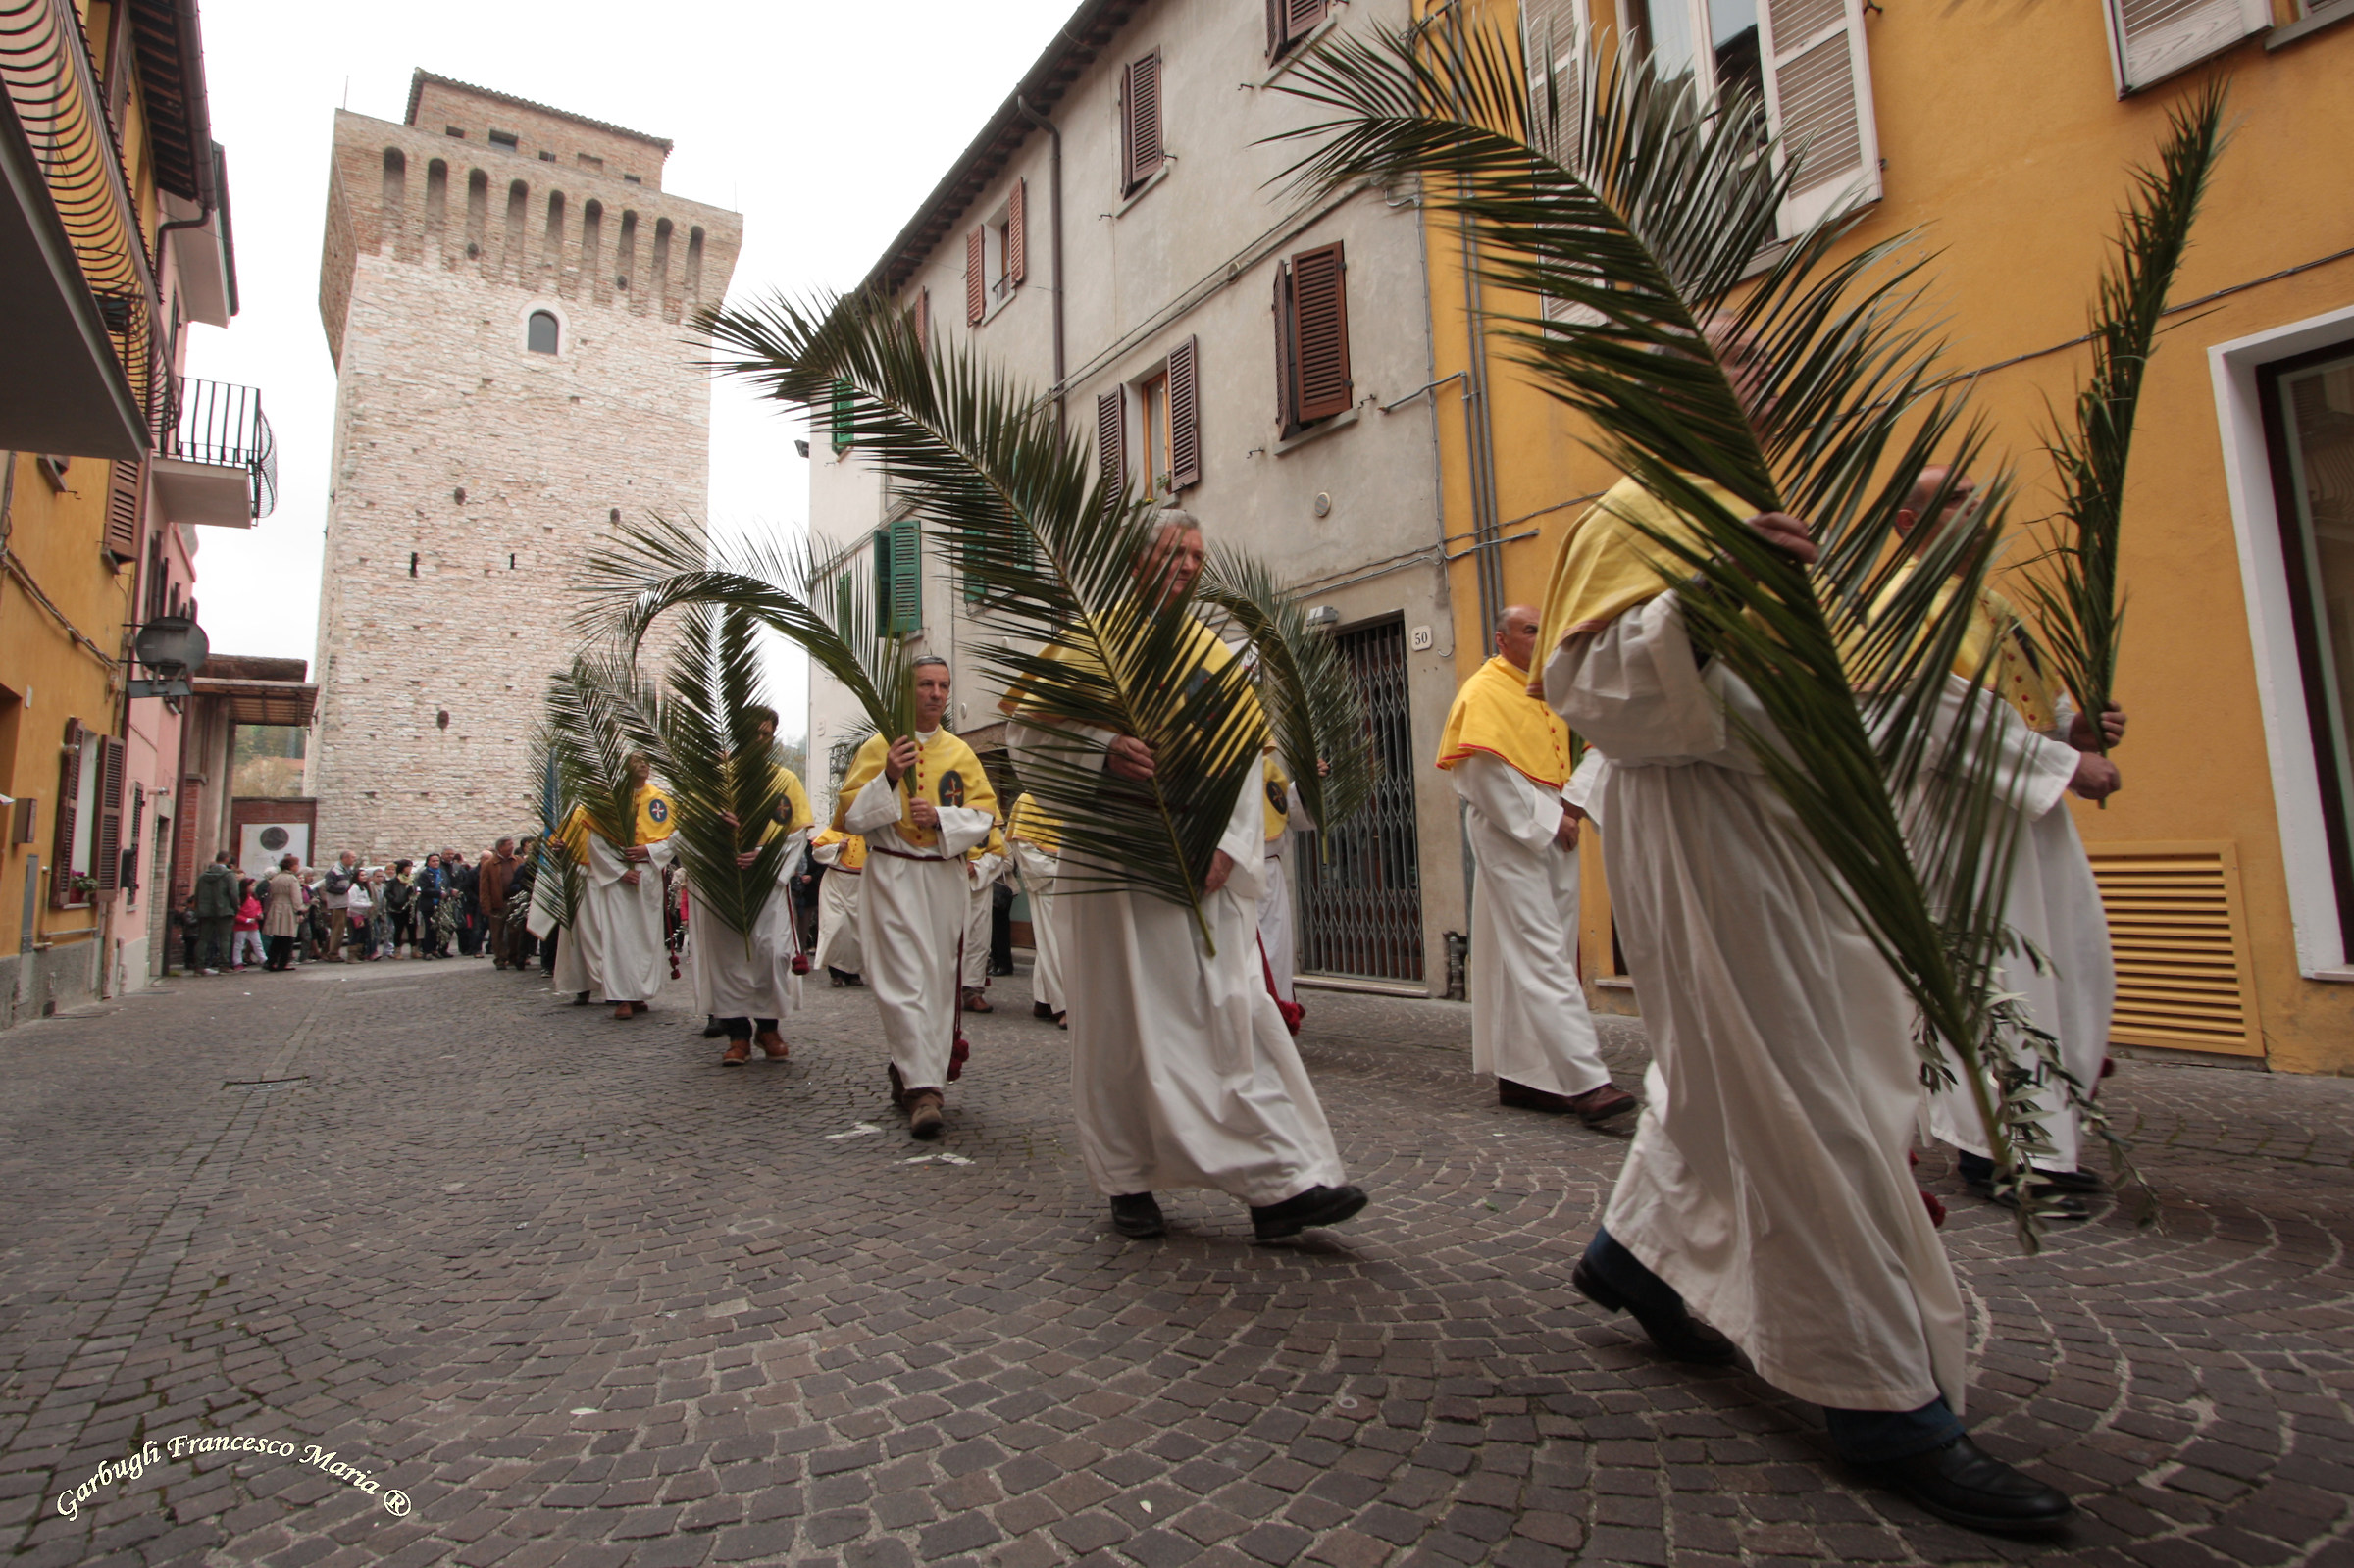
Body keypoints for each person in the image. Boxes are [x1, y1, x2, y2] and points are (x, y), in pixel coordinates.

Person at [1533, 450, 2073, 1530]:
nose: (1761, 378)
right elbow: (1587, 687)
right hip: (1713, 834)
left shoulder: (1789, 499)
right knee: (1806, 1099)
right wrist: (1709, 598)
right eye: (1736, 363)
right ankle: (1884, 1397)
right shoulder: (1640, 510)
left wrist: (2050, 745)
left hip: (1813, 838)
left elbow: (1866, 682)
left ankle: (1634, 1258)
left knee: (1743, 1078)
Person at [1006, 510, 1365, 1242]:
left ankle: (1280, 1183)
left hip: (1203, 870)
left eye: (1198, 556)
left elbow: (1245, 762)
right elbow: (1027, 738)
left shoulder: (1213, 654)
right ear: (1136, 560)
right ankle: (1128, 1176)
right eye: (1175, 552)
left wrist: (1228, 846)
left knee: (1235, 1016)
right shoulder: (1090, 640)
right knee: (1123, 1026)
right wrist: (1102, 749)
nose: (1189, 566)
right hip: (1117, 866)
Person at [1894, 469, 2124, 1218]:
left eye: (1980, 497)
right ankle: (1996, 1147)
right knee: (1993, 977)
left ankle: (2048, 1138)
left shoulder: (1994, 606)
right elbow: (1949, 720)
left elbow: (2035, 709)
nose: (1980, 510)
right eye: (1959, 500)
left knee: (2067, 963)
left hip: (2030, 812)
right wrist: (2065, 764)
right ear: (1910, 522)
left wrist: (2076, 729)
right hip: (1965, 818)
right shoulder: (1906, 606)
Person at [1437, 605, 1635, 1125]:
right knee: (1540, 950)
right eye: (1530, 630)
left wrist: (1572, 806)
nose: (1541, 637)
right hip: (1512, 827)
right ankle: (1586, 1080)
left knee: (1547, 949)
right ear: (1502, 640)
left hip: (1556, 820)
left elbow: (1595, 746)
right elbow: (1481, 777)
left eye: (1546, 629)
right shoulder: (1482, 691)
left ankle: (1528, 1076)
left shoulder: (1556, 685)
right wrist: (1551, 820)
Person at [838, 658, 999, 1138]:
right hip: (892, 877)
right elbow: (849, 817)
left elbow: (985, 816)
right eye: (926, 684)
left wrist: (943, 820)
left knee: (936, 981)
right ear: (908, 691)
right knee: (902, 981)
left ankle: (908, 1069)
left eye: (943, 686)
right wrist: (888, 777)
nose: (936, 694)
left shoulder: (961, 753)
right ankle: (925, 1091)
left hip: (943, 879)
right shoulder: (878, 747)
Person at [690, 706, 817, 1065]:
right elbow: (689, 830)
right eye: (754, 734)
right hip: (726, 884)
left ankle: (768, 1027)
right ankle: (738, 1036)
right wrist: (717, 831)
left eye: (767, 734)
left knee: (772, 956)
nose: (761, 740)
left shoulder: (785, 780)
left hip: (768, 884)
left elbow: (796, 834)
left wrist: (763, 856)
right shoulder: (715, 780)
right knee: (730, 960)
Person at [566, 752, 680, 1019]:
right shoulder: (609, 801)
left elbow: (674, 839)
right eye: (636, 761)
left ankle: (639, 993)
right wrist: (619, 871)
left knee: (645, 936)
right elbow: (596, 843)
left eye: (646, 761)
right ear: (625, 767)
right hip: (618, 879)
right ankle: (621, 997)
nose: (643, 765)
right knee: (620, 936)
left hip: (648, 874)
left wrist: (648, 851)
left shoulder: (662, 800)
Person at [1005, 794, 1064, 1024]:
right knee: (1053, 940)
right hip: (1047, 879)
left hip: (1071, 878)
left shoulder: (1071, 796)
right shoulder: (1029, 799)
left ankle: (1044, 1000)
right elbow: (1024, 849)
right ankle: (1065, 1005)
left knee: (1050, 941)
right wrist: (1059, 872)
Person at [961, 823, 1010, 1013]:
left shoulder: (985, 811)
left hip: (978, 885)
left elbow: (998, 851)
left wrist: (977, 866)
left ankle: (973, 992)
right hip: (943, 878)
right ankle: (943, 992)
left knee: (978, 938)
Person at [810, 829, 865, 986]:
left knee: (856, 930)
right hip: (836, 884)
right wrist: (836, 847)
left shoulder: (870, 831)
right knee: (836, 926)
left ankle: (853, 973)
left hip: (860, 885)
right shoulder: (835, 830)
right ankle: (836, 973)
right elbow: (817, 853)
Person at [479, 838, 522, 969]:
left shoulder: (518, 861)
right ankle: (500, 959)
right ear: (501, 847)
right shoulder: (489, 865)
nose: (512, 847)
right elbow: (484, 887)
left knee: (515, 931)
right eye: (509, 845)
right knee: (497, 933)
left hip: (515, 901)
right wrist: (486, 905)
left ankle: (513, 956)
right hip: (497, 903)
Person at [194, 852, 239, 975]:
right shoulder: (229, 875)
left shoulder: (203, 876)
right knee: (225, 939)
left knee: (203, 939)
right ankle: (224, 965)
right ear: (227, 859)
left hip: (205, 911)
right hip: (224, 911)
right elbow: (234, 894)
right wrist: (236, 908)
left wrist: (199, 908)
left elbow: (197, 894)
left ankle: (199, 966)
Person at [262, 855, 304, 971]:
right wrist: (299, 910)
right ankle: (283, 962)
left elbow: (270, 895)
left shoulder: (276, 878)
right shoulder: (292, 879)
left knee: (277, 937)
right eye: (296, 865)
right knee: (287, 937)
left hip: (276, 907)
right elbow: (296, 897)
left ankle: (271, 961)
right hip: (288, 908)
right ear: (291, 866)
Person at [319, 852, 358, 963]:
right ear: (345, 858)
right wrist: (345, 890)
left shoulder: (348, 870)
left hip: (346, 903)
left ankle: (327, 952)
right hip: (338, 904)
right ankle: (333, 953)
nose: (354, 860)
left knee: (340, 929)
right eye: (352, 857)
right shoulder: (334, 871)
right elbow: (329, 887)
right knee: (338, 929)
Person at [380, 861, 417, 958]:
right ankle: (397, 951)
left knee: (412, 929)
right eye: (408, 867)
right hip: (397, 908)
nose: (410, 869)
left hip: (410, 907)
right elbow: (387, 893)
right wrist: (394, 900)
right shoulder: (394, 881)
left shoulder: (412, 880)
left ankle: (414, 950)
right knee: (399, 929)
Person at [230, 879, 265, 971]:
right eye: (252, 885)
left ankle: (263, 959)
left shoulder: (254, 897)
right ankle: (237, 962)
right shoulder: (240, 898)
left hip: (253, 925)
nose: (253, 887)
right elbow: (236, 913)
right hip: (241, 926)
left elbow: (258, 907)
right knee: (239, 945)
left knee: (257, 943)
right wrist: (246, 920)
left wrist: (259, 913)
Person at [344, 871, 376, 961]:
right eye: (361, 875)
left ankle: (359, 952)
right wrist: (367, 905)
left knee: (364, 934)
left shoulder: (364, 888)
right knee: (355, 934)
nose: (364, 877)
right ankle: (351, 955)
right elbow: (352, 903)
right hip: (355, 914)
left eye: (365, 875)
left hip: (364, 914)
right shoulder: (354, 888)